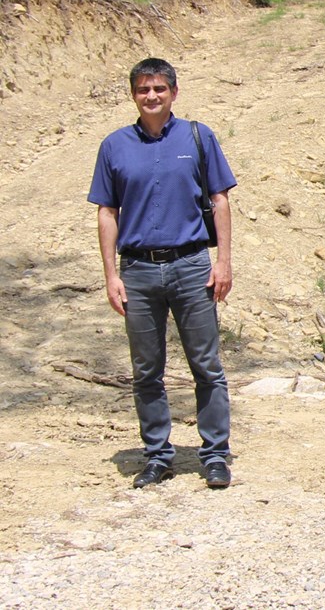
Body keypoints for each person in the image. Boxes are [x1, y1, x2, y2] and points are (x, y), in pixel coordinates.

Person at [88, 57, 237, 490]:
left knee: (206, 365)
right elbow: (106, 212)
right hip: (137, 269)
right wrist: (110, 275)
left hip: (192, 265)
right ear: (133, 94)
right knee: (146, 370)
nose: (151, 96)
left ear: (174, 91)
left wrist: (222, 262)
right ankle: (157, 456)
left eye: (159, 89)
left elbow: (221, 200)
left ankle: (214, 455)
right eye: (142, 89)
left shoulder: (198, 136)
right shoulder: (114, 146)